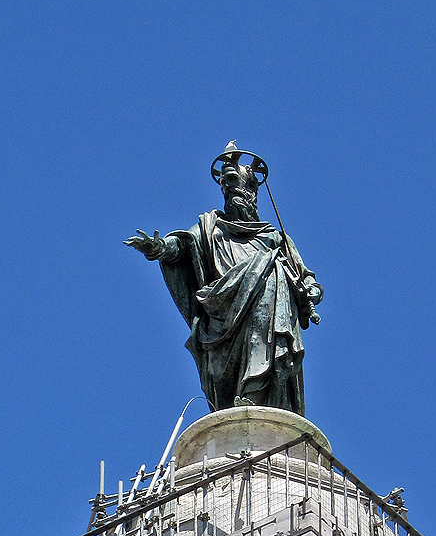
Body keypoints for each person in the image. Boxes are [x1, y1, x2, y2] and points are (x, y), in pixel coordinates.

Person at [126, 142, 323, 415]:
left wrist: (311, 290)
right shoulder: (210, 229)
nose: (233, 196)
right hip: (223, 313)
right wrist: (158, 248)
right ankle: (243, 396)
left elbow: (304, 275)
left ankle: (255, 391)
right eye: (228, 191)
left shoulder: (275, 240)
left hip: (268, 307)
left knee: (273, 272)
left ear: (252, 194)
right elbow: (182, 245)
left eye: (239, 190)